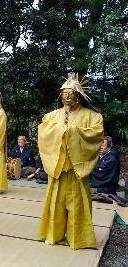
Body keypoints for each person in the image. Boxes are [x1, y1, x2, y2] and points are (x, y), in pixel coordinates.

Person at [37, 73, 104, 250]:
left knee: (78, 207)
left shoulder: (93, 117)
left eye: (70, 92)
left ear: (79, 96)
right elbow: (44, 132)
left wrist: (72, 132)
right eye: (64, 92)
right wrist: (60, 130)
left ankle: (78, 238)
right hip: (58, 169)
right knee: (55, 206)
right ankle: (54, 234)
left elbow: (95, 135)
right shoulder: (51, 116)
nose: (66, 95)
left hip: (77, 170)